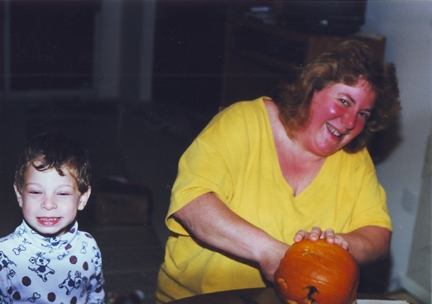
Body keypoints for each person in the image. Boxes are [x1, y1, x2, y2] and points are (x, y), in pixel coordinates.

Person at [155, 40, 401, 302]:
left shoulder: (355, 158)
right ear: (313, 88)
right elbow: (190, 203)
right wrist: (268, 251)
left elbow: (378, 235)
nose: (350, 122)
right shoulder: (241, 121)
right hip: (202, 297)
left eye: (363, 113)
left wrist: (337, 245)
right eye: (344, 101)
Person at [0, 133, 105, 304]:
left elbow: (96, 293)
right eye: (35, 192)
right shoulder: (4, 255)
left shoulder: (89, 247)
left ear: (82, 199)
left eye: (62, 193)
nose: (48, 204)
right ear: (20, 195)